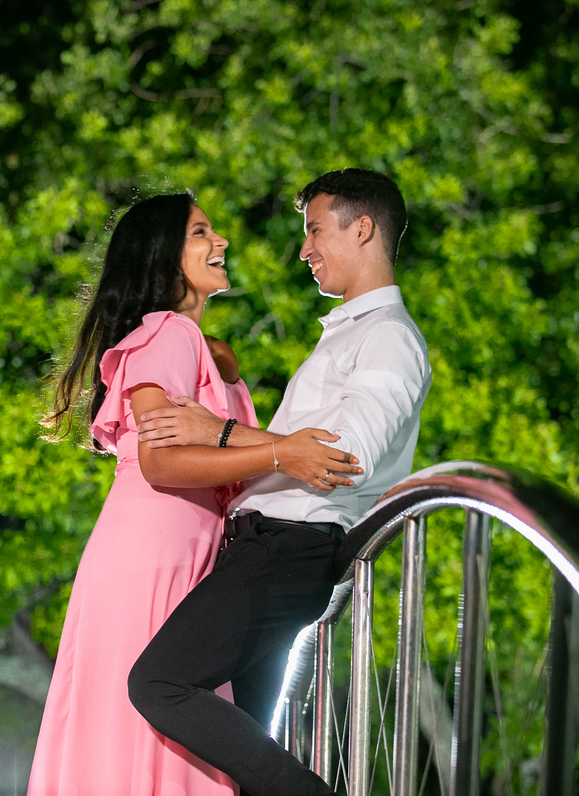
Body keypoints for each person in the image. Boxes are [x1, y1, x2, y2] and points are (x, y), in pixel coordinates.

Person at [26, 193, 360, 796]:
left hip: (182, 545)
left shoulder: (193, 344)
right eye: (201, 232)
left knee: (165, 727)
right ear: (162, 255)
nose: (221, 241)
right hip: (155, 550)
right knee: (162, 723)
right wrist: (285, 451)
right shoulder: (169, 333)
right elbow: (162, 461)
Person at [128, 169, 432, 796]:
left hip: (293, 548)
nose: (305, 250)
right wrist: (265, 447)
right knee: (246, 751)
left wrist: (219, 432)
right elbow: (298, 453)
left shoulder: (389, 338)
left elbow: (341, 457)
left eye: (315, 231)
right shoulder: (348, 335)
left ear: (364, 228)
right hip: (268, 546)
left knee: (159, 682)